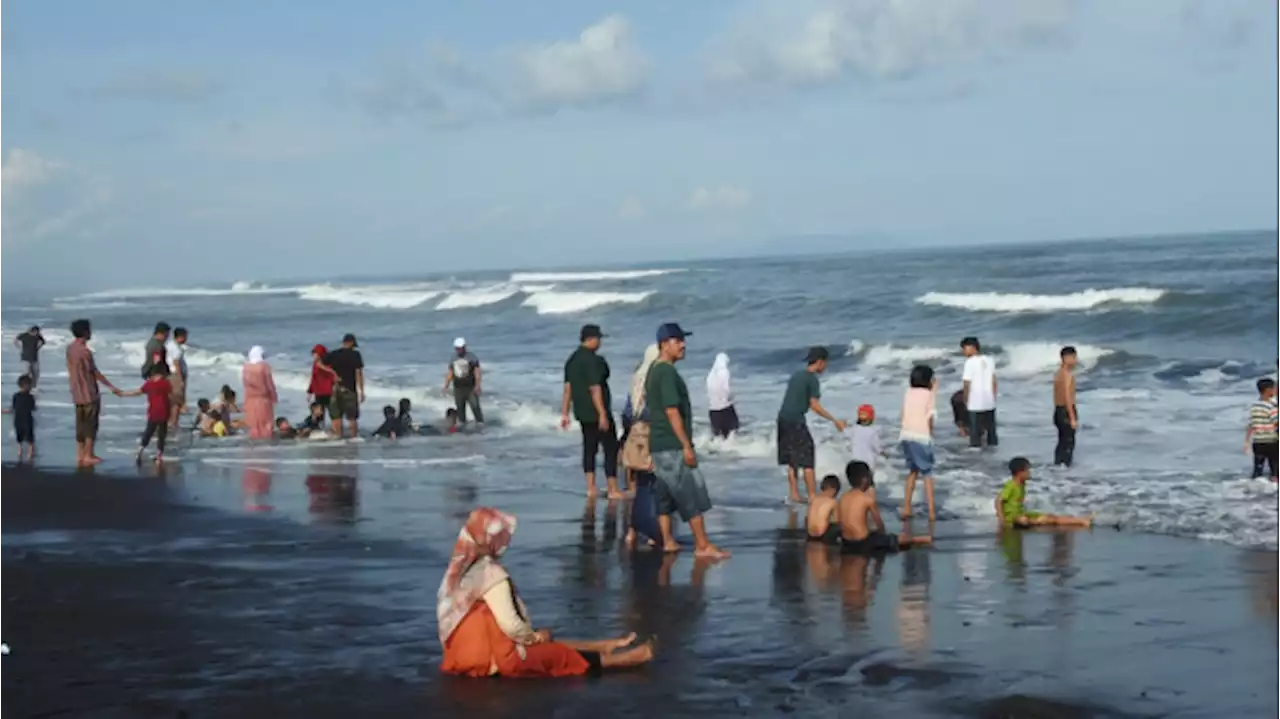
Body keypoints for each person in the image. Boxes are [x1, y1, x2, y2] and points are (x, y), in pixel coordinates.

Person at [437, 508, 656, 678]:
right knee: (558, 656)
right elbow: (511, 625)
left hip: (460, 655)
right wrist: (533, 637)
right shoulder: (491, 574)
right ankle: (628, 658)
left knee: (547, 642)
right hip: (495, 659)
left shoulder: (458, 571)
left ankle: (603, 646)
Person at [646, 323, 730, 558]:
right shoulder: (667, 372)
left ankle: (668, 541)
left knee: (664, 494)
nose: (683, 345)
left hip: (660, 444)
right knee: (689, 493)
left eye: (683, 340)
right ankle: (702, 545)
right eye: (678, 341)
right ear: (664, 345)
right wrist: (686, 445)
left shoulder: (654, 369)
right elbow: (672, 411)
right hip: (672, 444)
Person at [776, 347, 846, 503]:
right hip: (795, 420)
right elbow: (814, 405)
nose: (826, 367)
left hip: (782, 418)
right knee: (808, 457)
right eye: (826, 363)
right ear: (820, 362)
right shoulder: (811, 379)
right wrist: (834, 420)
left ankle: (794, 493)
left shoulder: (797, 376)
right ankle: (813, 496)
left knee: (791, 458)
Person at [560, 324, 622, 499]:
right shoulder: (594, 361)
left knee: (589, 449)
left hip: (582, 413)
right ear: (591, 339)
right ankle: (613, 489)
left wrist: (565, 413)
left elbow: (567, 389)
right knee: (610, 449)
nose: (600, 342)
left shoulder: (571, 360)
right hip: (597, 412)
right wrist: (602, 413)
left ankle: (591, 487)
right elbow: (595, 388)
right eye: (599, 338)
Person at [839, 461, 932, 553]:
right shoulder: (867, 499)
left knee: (870, 533)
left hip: (846, 542)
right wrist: (884, 537)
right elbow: (880, 525)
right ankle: (921, 539)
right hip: (864, 543)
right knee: (895, 539)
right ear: (865, 479)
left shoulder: (843, 497)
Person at [66, 319, 122, 467]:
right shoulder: (86, 352)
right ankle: (89, 454)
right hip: (89, 392)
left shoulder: (70, 349)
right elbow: (94, 373)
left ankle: (80, 454)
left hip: (76, 391)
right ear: (85, 332)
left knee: (80, 424)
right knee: (91, 425)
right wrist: (111, 387)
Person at [623, 344, 662, 550]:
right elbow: (653, 410)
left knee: (640, 485)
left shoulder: (637, 376)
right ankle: (654, 533)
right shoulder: (654, 377)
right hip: (650, 433)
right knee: (653, 485)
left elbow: (628, 412)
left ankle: (632, 530)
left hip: (635, 433)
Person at [996, 457, 1093, 528]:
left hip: (1021, 514)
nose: (1029, 473)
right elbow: (998, 500)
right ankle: (1081, 521)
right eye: (1027, 471)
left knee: (1051, 517)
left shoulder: (1021, 484)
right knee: (1043, 520)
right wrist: (1002, 520)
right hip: (1012, 518)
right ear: (1020, 472)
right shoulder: (1011, 485)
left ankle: (1081, 520)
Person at [899, 365, 938, 521]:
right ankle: (931, 511)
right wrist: (931, 435)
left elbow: (903, 413)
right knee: (927, 474)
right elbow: (930, 416)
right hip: (921, 436)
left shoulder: (908, 392)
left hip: (906, 435)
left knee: (912, 471)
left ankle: (906, 507)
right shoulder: (929, 395)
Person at [118, 365, 174, 465]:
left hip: (153, 412)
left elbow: (137, 392)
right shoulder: (165, 384)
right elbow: (171, 396)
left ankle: (140, 451)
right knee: (162, 434)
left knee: (148, 432)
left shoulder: (149, 384)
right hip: (164, 412)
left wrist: (123, 393)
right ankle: (159, 456)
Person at [324, 334, 365, 438]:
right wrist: (362, 391)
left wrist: (333, 374)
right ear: (351, 343)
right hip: (349, 389)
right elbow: (358, 373)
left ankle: (339, 438)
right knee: (352, 417)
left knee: (336, 416)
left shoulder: (333, 354)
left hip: (334, 389)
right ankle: (354, 438)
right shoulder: (355, 355)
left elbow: (319, 363)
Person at [961, 337, 997, 448]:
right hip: (989, 401)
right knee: (991, 432)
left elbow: (967, 383)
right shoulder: (989, 360)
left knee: (975, 434)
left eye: (964, 349)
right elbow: (994, 380)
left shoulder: (969, 362)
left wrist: (965, 399)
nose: (963, 352)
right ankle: (994, 453)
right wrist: (993, 396)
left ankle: (976, 458)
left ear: (972, 347)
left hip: (975, 402)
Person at [241, 346, 279, 440]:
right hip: (263, 399)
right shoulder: (264, 366)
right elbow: (269, 383)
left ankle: (254, 442)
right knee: (265, 422)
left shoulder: (246, 367)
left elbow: (245, 384)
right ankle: (266, 441)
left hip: (250, 400)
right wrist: (274, 397)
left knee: (254, 423)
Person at [444, 337, 484, 425]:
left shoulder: (471, 357)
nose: (459, 350)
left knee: (475, 406)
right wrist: (446, 385)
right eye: (457, 348)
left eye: (461, 348)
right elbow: (450, 372)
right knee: (460, 409)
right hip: (458, 388)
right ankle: (463, 426)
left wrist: (477, 385)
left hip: (470, 387)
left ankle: (480, 423)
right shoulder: (453, 358)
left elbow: (477, 371)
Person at [1246, 378, 1279, 480]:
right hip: (1271, 442)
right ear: (1268, 390)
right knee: (1275, 471)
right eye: (1274, 388)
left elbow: (1252, 424)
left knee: (1257, 470)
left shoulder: (1254, 406)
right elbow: (1277, 423)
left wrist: (1246, 441)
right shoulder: (1271, 407)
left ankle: (1253, 489)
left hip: (1258, 442)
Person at [1053, 346, 1080, 467]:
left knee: (1061, 442)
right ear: (1066, 358)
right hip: (1066, 411)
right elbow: (1068, 397)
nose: (1075, 360)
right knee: (1068, 443)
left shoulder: (1058, 373)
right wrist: (1072, 417)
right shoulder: (1067, 375)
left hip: (1058, 411)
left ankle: (1058, 467)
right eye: (1074, 357)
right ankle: (1065, 469)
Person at [706, 353, 739, 439]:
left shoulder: (710, 375)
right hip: (725, 408)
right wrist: (731, 397)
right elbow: (726, 388)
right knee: (732, 431)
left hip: (713, 411)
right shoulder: (724, 372)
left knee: (717, 436)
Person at [805, 475, 842, 544]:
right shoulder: (833, 501)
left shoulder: (813, 500)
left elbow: (807, 518)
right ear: (833, 490)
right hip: (823, 536)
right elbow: (837, 521)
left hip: (810, 535)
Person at [848, 404, 887, 469]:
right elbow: (877, 447)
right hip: (868, 462)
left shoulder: (854, 429)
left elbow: (848, 438)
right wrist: (883, 453)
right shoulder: (872, 431)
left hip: (855, 460)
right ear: (872, 417)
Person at [307, 344, 337, 421]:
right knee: (319, 414)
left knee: (333, 414)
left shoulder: (329, 364)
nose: (313, 355)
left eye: (315, 353)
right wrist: (310, 391)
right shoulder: (315, 364)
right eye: (313, 353)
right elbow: (313, 378)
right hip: (319, 392)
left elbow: (333, 376)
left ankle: (335, 430)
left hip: (329, 392)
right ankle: (321, 429)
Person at [166, 327, 189, 428]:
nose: (186, 339)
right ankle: (173, 422)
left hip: (172, 375)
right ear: (180, 337)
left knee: (173, 400)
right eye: (185, 336)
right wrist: (180, 380)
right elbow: (176, 363)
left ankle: (172, 422)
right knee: (177, 401)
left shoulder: (171, 345)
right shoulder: (176, 348)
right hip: (175, 375)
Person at [10, 375, 36, 462]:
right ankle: (20, 449)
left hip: (26, 418)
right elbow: (13, 407)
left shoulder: (29, 396)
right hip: (19, 418)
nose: (29, 387)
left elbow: (32, 407)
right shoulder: (18, 396)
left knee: (29, 435)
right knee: (20, 434)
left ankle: (30, 450)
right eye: (28, 385)